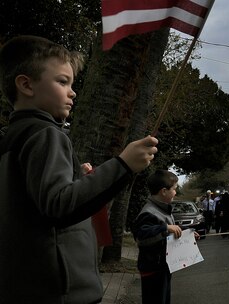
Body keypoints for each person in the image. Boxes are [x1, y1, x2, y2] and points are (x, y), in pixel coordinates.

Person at [0, 35, 157, 303]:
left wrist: (80, 179)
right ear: (26, 84)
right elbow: (59, 204)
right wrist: (122, 165)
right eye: (62, 81)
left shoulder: (10, 138)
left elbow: (30, 204)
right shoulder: (46, 135)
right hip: (61, 292)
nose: (72, 91)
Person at [133, 170, 197, 304]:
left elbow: (170, 227)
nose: (175, 192)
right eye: (174, 189)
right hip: (153, 269)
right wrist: (165, 228)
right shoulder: (148, 212)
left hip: (162, 266)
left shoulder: (162, 208)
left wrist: (186, 233)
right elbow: (141, 234)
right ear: (163, 191)